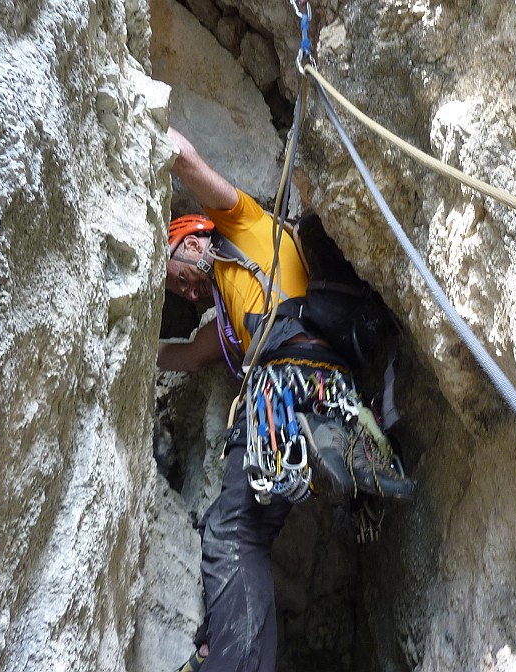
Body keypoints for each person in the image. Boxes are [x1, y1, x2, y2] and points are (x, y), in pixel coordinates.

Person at [159, 127, 412, 672]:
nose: (184, 289)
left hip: (284, 379)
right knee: (244, 531)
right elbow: (180, 355)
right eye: (177, 291)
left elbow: (186, 157)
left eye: (176, 273)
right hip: (326, 382)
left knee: (232, 533)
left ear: (193, 239)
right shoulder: (227, 319)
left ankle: (231, 659)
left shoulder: (245, 225)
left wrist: (146, 124)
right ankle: (224, 642)